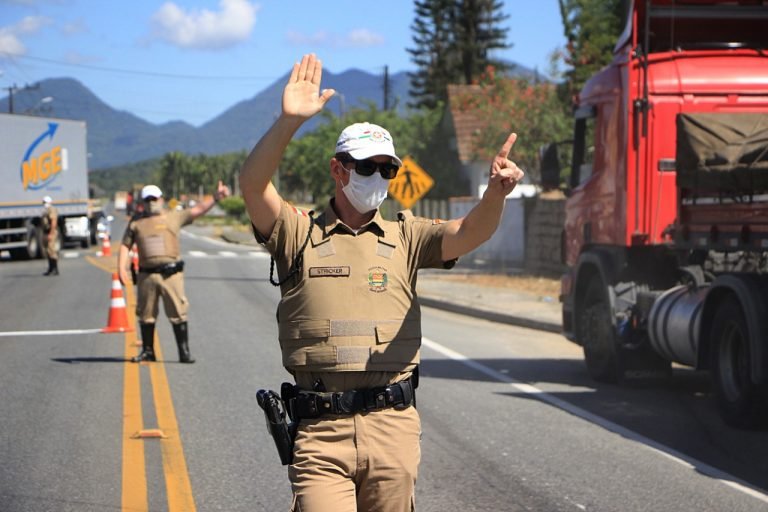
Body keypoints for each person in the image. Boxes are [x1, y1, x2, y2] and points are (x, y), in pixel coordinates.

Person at [239, 53, 524, 511]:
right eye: (366, 167)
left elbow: (470, 232)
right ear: (338, 169)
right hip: (321, 431)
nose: (378, 177)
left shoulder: (407, 236)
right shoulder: (298, 233)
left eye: (387, 169)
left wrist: (495, 194)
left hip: (393, 428)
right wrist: (289, 122)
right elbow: (253, 186)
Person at [117, 182, 231, 364]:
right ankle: (148, 351)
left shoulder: (173, 217)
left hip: (171, 275)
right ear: (142, 202)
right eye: (147, 199)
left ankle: (184, 352)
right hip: (147, 276)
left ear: (161, 199)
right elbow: (125, 245)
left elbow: (198, 210)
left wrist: (216, 197)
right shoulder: (136, 222)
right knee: (146, 314)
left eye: (154, 198)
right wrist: (121, 267)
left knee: (178, 312)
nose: (151, 202)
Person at [41, 195, 59, 276]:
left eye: (45, 202)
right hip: (46, 232)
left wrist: (51, 234)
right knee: (47, 251)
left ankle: (55, 268)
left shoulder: (52, 210)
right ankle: (50, 268)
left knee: (52, 250)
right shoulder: (46, 211)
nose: (44, 204)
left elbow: (53, 222)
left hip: (51, 232)